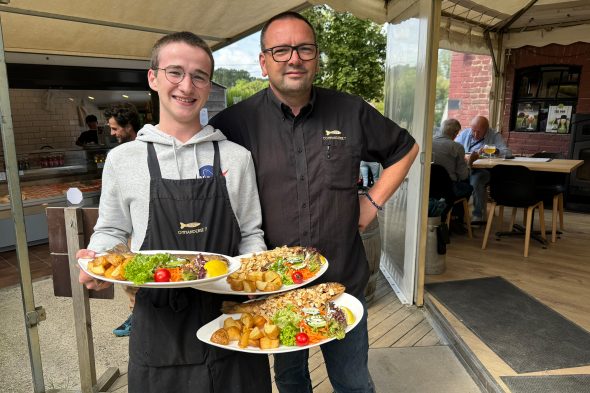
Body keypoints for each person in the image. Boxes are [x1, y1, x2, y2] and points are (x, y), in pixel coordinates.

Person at [210, 11, 418, 393]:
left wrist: (371, 203)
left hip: (343, 281)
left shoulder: (349, 110)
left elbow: (405, 148)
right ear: (263, 62)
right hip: (277, 293)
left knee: (354, 383)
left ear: (317, 58)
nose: (294, 58)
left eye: (304, 49)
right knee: (290, 381)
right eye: (281, 50)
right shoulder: (234, 123)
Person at [76, 31, 271, 393]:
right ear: (153, 77)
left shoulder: (236, 157)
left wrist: (252, 279)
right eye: (175, 72)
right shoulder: (124, 159)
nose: (187, 85)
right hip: (159, 328)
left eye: (199, 75)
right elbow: (112, 229)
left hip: (232, 320)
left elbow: (250, 233)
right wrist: (98, 260)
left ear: (208, 85)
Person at [103, 103, 141, 337]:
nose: (112, 133)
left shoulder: (143, 151)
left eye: (115, 128)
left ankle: (136, 316)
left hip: (140, 230)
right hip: (123, 226)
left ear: (129, 126)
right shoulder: (116, 157)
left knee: (134, 278)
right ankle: (134, 314)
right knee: (127, 277)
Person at [455, 115, 512, 223]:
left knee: (476, 180)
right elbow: (455, 148)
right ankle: (457, 215)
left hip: (483, 169)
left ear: (487, 129)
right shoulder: (465, 133)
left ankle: (478, 215)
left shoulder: (494, 135)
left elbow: (508, 152)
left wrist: (496, 151)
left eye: (479, 132)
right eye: (474, 131)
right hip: (466, 167)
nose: (475, 134)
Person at [432, 119, 473, 232]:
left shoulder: (429, 142)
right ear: (455, 133)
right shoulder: (456, 147)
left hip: (429, 186)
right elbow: (463, 175)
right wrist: (469, 163)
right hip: (447, 188)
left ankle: (451, 218)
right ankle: (455, 219)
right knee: (468, 186)